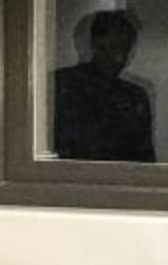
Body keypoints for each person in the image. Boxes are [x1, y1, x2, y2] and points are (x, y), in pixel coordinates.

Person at [51, 8, 156, 162]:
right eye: (113, 47)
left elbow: (144, 158)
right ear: (95, 46)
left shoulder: (135, 97)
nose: (120, 58)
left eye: (125, 49)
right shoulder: (64, 84)